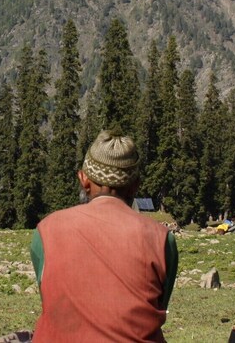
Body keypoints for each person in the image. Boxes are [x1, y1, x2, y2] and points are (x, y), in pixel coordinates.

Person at [30, 131, 178, 342]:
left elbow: (52, 301)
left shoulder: (46, 230)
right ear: (136, 184)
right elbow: (159, 305)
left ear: (84, 179)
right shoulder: (162, 239)